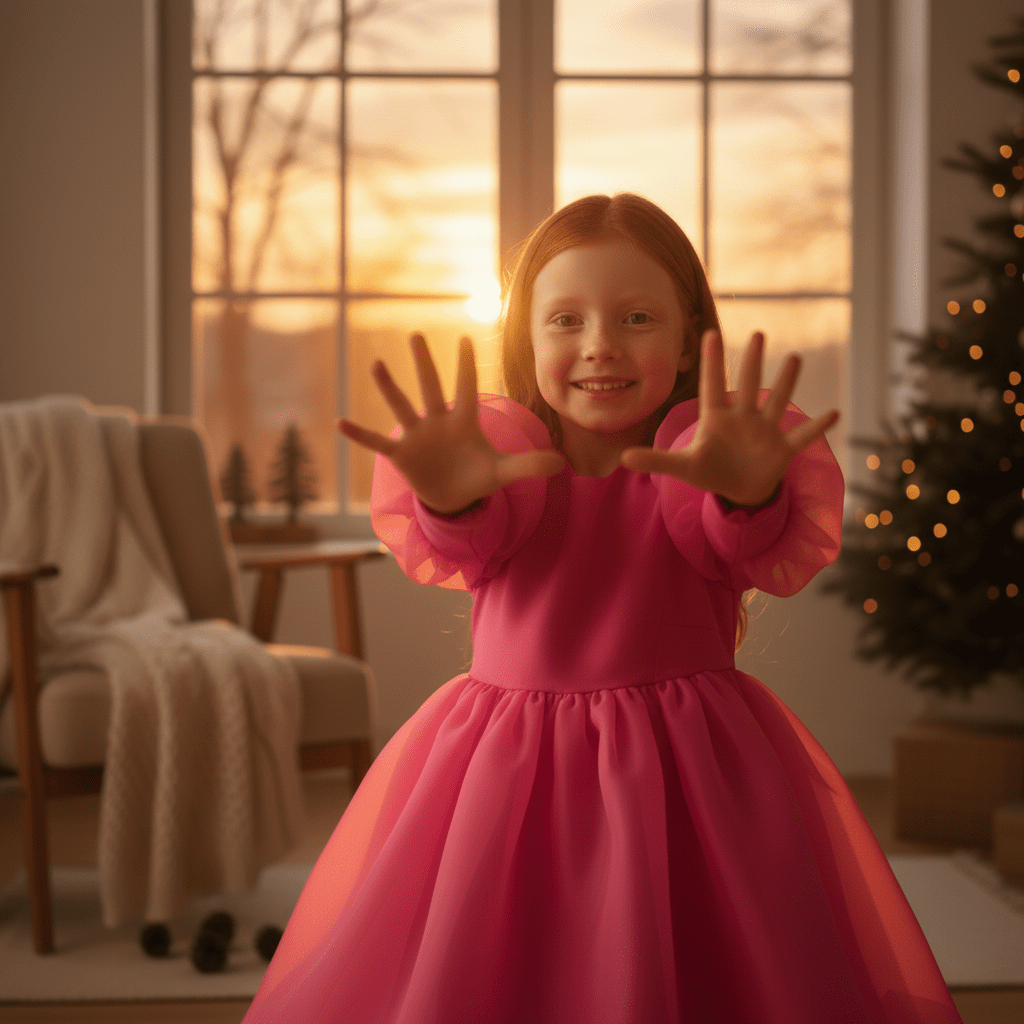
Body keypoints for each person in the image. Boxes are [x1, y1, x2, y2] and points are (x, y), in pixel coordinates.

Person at [242, 194, 962, 1023]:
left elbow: (737, 535)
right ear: (526, 336)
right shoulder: (507, 458)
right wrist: (446, 499)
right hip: (502, 774)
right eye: (567, 320)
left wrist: (751, 488)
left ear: (691, 332)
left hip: (691, 773)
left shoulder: (698, 456)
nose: (600, 347)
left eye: (638, 317)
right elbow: (475, 532)